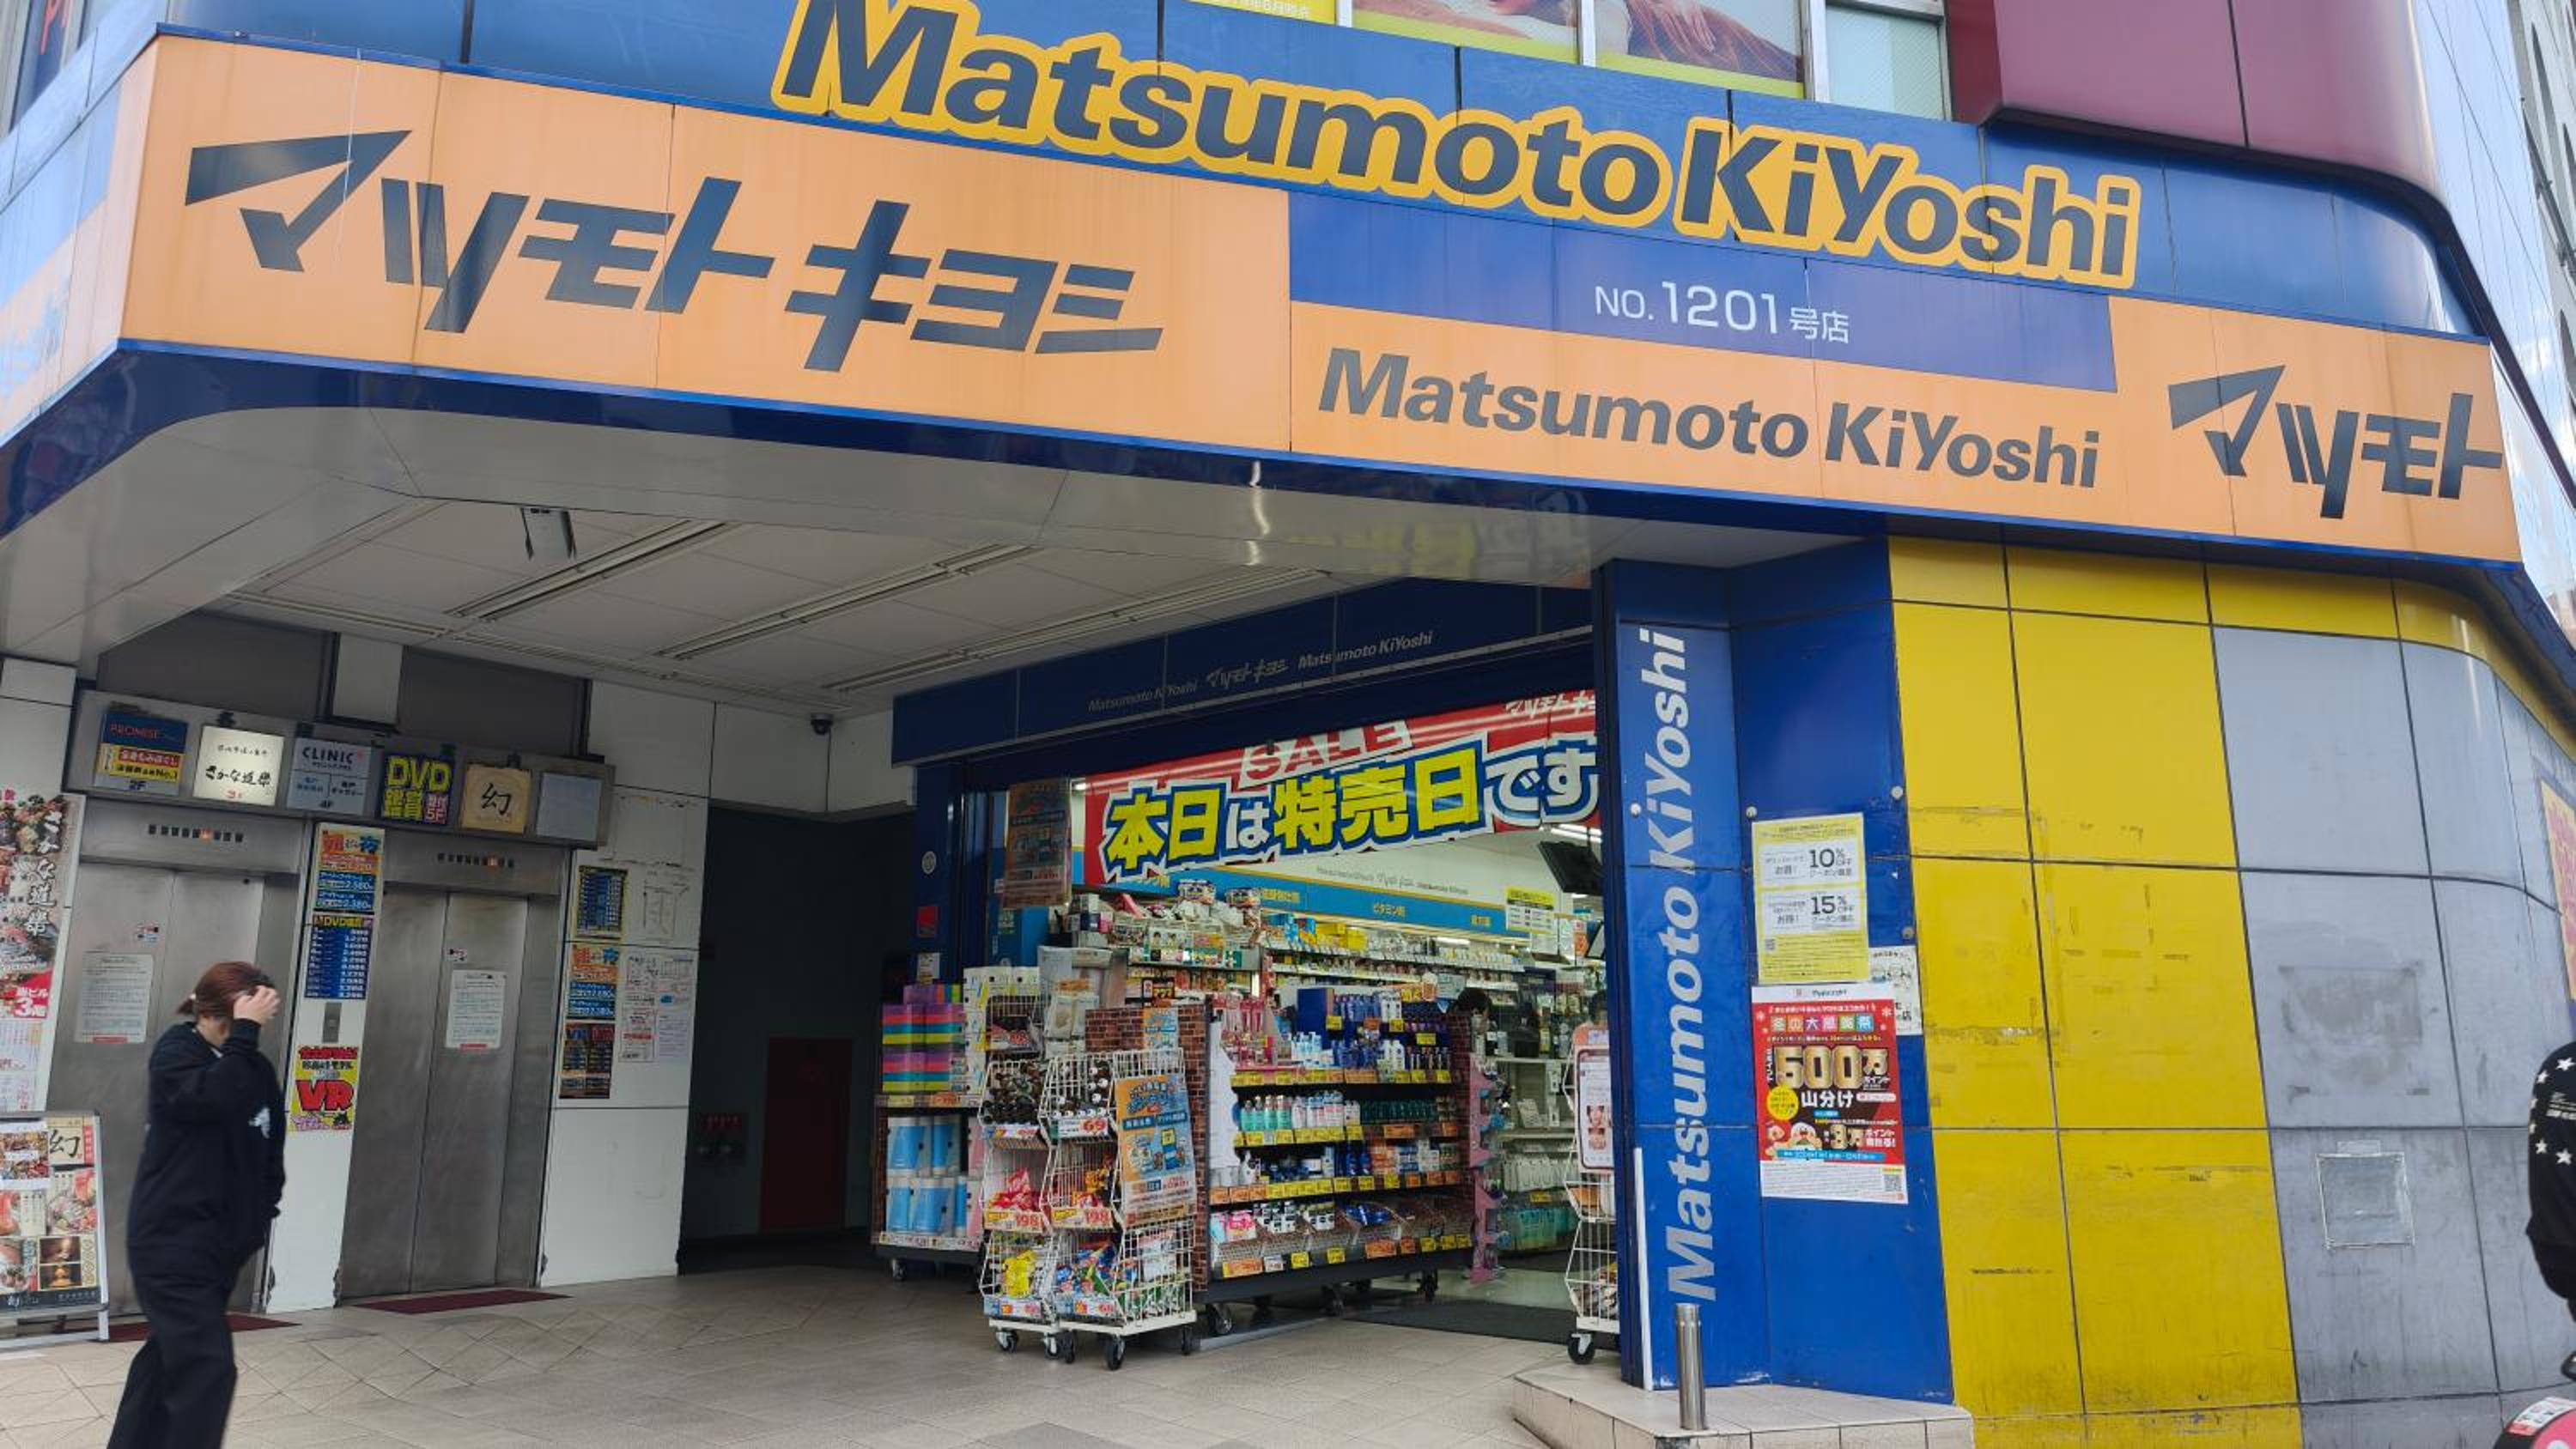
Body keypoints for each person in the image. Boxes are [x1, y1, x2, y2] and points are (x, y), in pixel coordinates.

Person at [108, 962, 286, 1449]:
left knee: (169, 1362)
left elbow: (270, 1146)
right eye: (249, 1014)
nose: (257, 1025)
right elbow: (209, 1100)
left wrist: (261, 1213)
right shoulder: (177, 1053)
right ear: (220, 1012)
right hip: (169, 1242)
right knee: (208, 1367)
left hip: (220, 1247)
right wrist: (244, 1034)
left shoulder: (254, 1067)